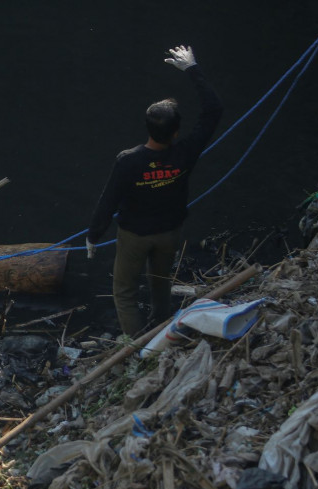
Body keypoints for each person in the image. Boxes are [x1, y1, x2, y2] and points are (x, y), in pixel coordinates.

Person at [86, 45, 223, 338]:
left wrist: (93, 235)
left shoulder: (129, 160)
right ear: (175, 132)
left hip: (135, 236)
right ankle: (162, 329)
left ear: (148, 128)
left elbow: (108, 200)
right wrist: (191, 68)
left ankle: (138, 349)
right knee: (159, 281)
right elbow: (213, 110)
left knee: (124, 292)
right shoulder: (186, 152)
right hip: (169, 232)